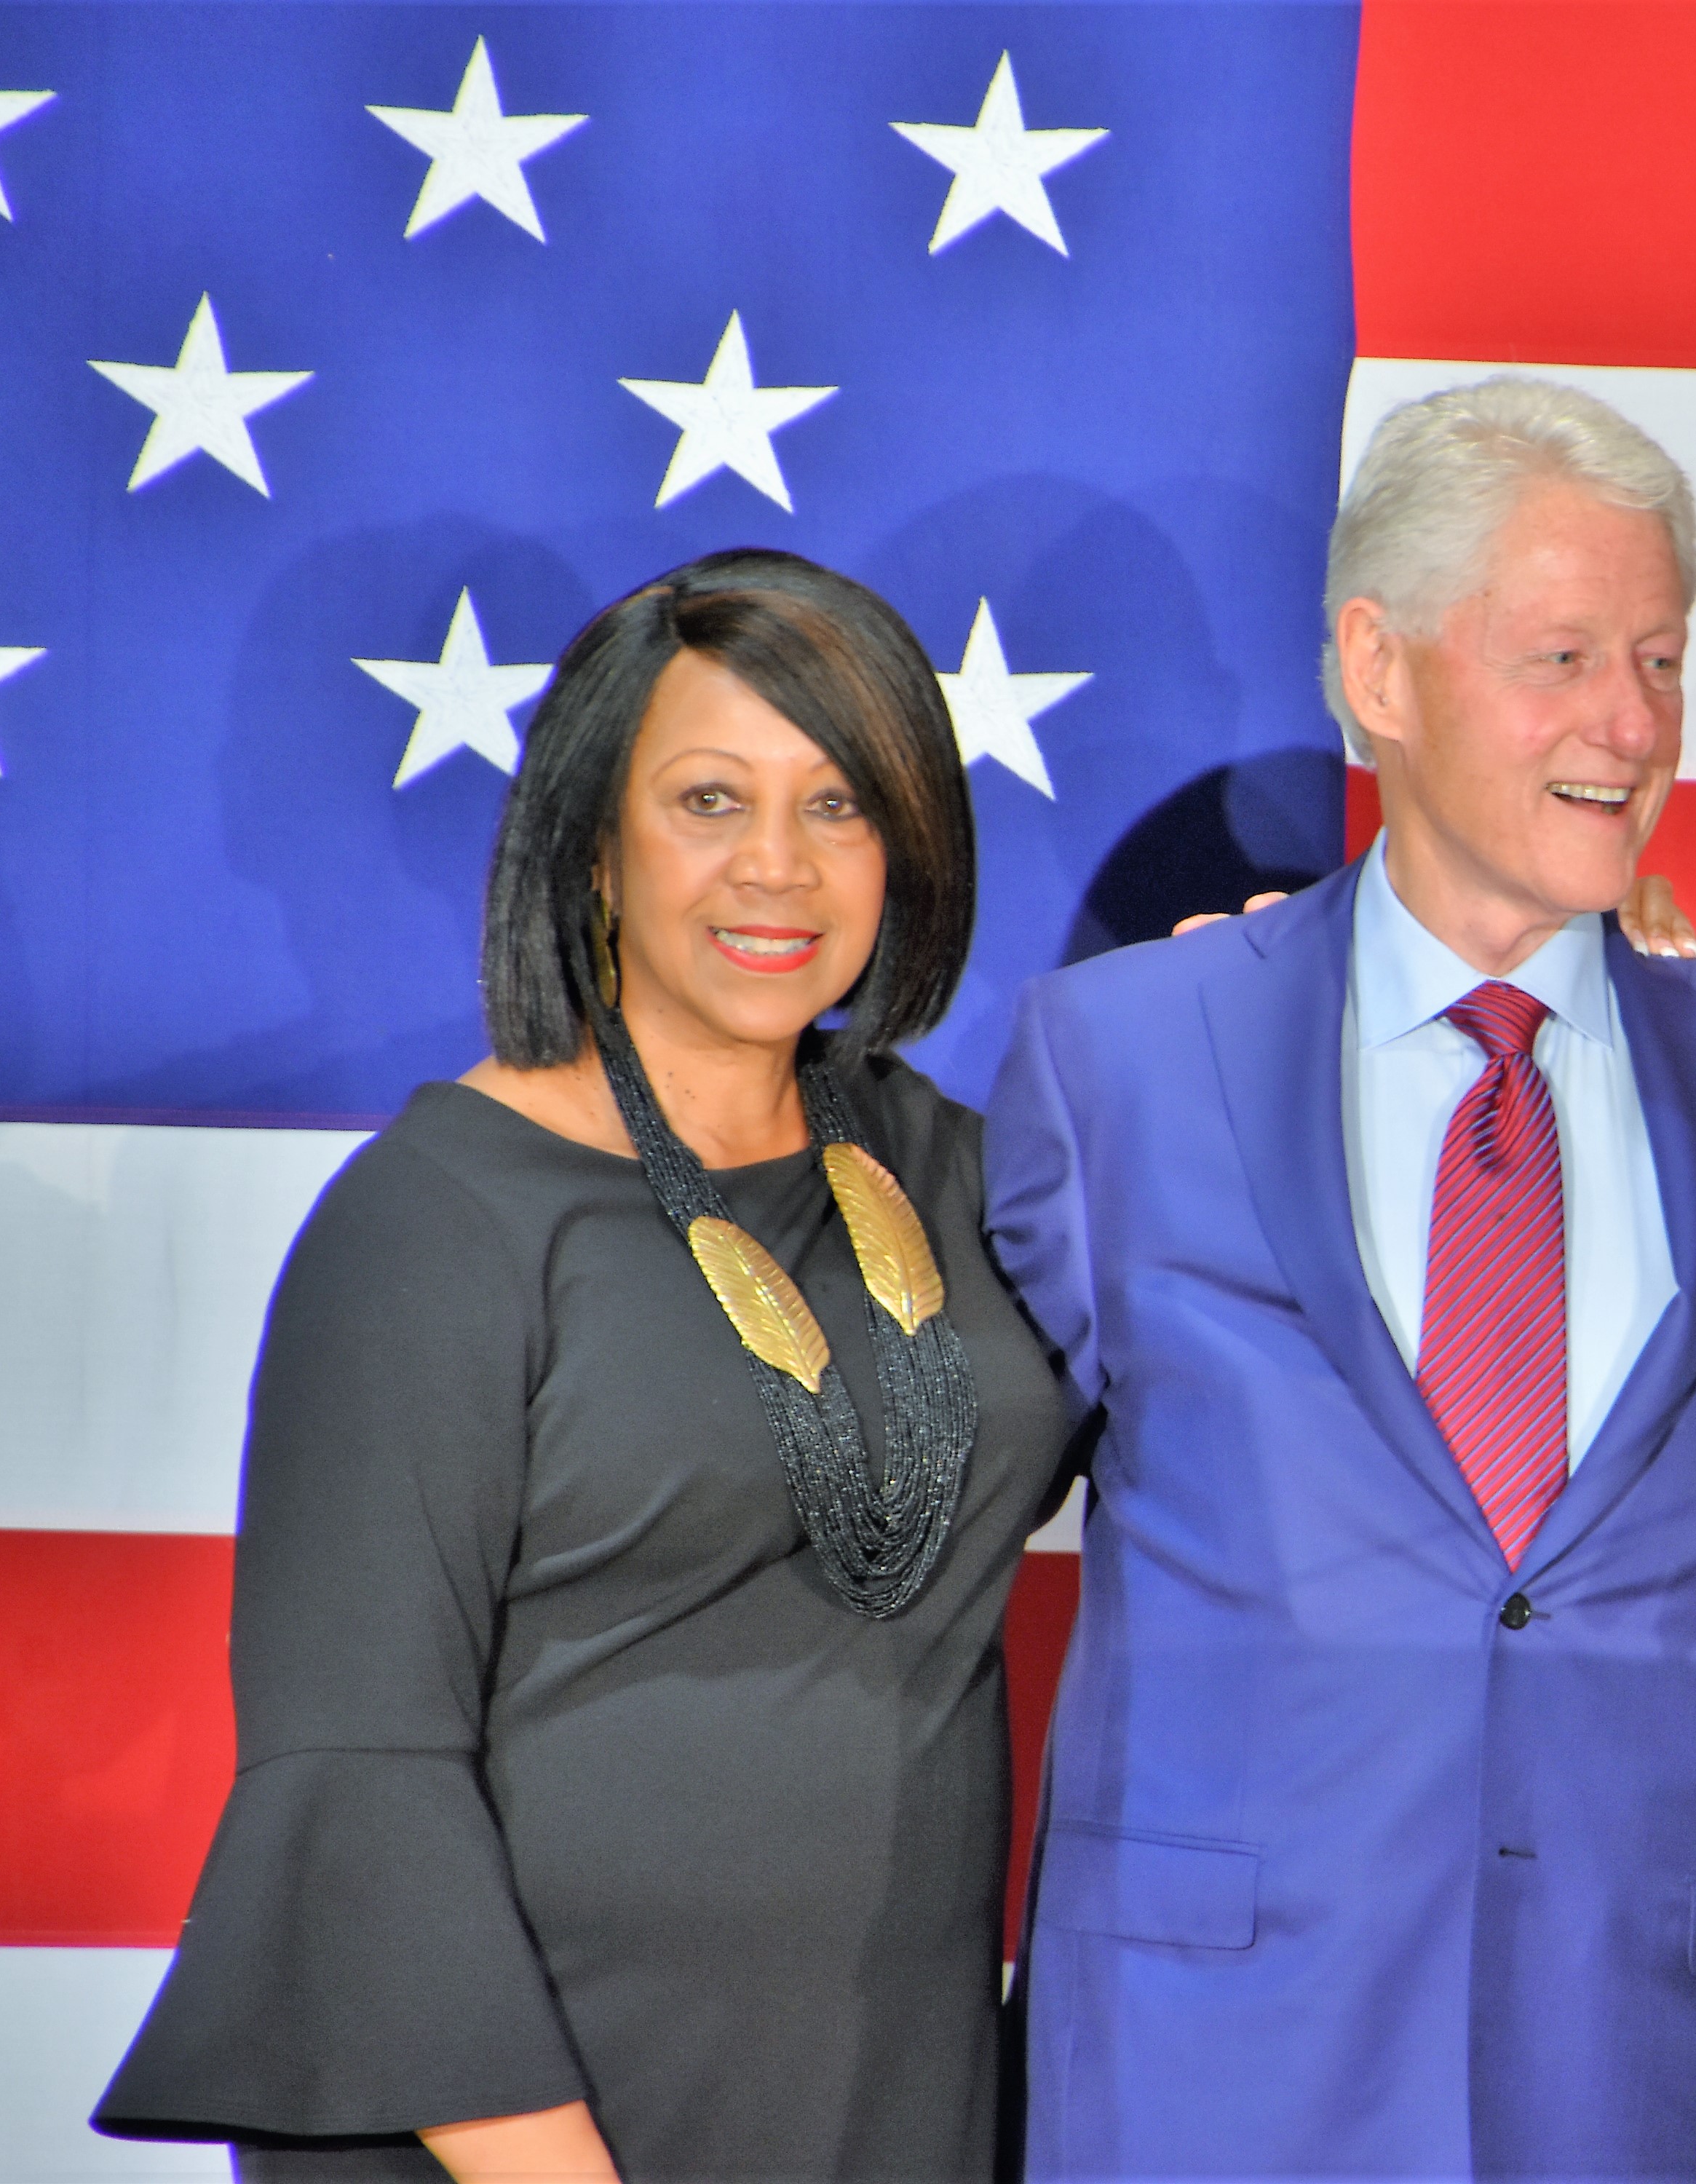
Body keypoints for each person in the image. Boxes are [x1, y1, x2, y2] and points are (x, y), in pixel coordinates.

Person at [983, 376, 1696, 2180]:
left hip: (1636, 2081)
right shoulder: (1128, 1058)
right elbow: (925, 1555)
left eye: (1658, 659)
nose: (1628, 723)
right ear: (1379, 671)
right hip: (1212, 2081)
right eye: (1559, 657)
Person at [93, 550, 1077, 2184]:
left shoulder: (968, 1173)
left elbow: (1276, 1349)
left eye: (838, 806)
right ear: (596, 849)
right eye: (709, 800)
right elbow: (363, 1776)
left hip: (881, 2104)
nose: (778, 867)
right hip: (519, 2133)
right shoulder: (437, 1220)